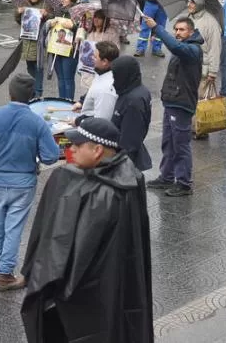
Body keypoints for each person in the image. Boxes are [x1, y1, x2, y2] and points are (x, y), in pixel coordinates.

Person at [20, 117, 152, 343]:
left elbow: (72, 255)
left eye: (77, 145)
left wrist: (50, 284)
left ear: (97, 150)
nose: (71, 150)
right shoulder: (129, 181)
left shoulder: (106, 194)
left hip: (86, 297)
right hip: (110, 293)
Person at [0, 74, 60, 291]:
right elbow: (51, 156)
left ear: (10, 93)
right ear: (32, 96)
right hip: (23, 183)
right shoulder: (37, 122)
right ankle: (6, 274)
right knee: (14, 227)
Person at [144, 17, 203, 197]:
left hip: (181, 104)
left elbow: (177, 48)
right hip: (172, 101)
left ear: (191, 32)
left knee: (180, 144)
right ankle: (167, 177)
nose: (177, 33)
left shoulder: (192, 49)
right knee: (168, 142)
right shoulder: (183, 47)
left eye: (182, 30)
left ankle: (184, 183)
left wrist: (157, 28)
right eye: (176, 29)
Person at [186, 0, 221, 137]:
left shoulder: (210, 22)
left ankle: (199, 129)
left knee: (200, 100)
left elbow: (215, 48)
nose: (189, 5)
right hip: (189, 65)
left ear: (199, 4)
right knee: (189, 98)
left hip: (203, 68)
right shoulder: (189, 18)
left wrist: (213, 72)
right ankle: (191, 127)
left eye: (192, 2)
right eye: (188, 1)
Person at [15, 0, 51, 98]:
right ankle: (32, 90)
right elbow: (19, 21)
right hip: (27, 41)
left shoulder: (45, 4)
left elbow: (51, 19)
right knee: (30, 66)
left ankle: (38, 92)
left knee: (39, 68)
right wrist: (18, 13)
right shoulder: (24, 4)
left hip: (39, 41)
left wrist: (46, 14)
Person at [71, 40, 118, 121]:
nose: (92, 58)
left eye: (95, 57)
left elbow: (101, 120)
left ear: (104, 62)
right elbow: (93, 90)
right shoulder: (101, 72)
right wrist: (82, 102)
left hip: (92, 130)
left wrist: (79, 121)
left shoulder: (106, 89)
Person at [46, 0, 78, 101]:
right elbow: (48, 24)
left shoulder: (77, 11)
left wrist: (73, 26)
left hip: (70, 50)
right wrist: (50, 23)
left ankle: (69, 102)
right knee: (60, 79)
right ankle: (61, 100)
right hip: (56, 48)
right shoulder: (58, 10)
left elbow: (84, 29)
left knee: (68, 79)